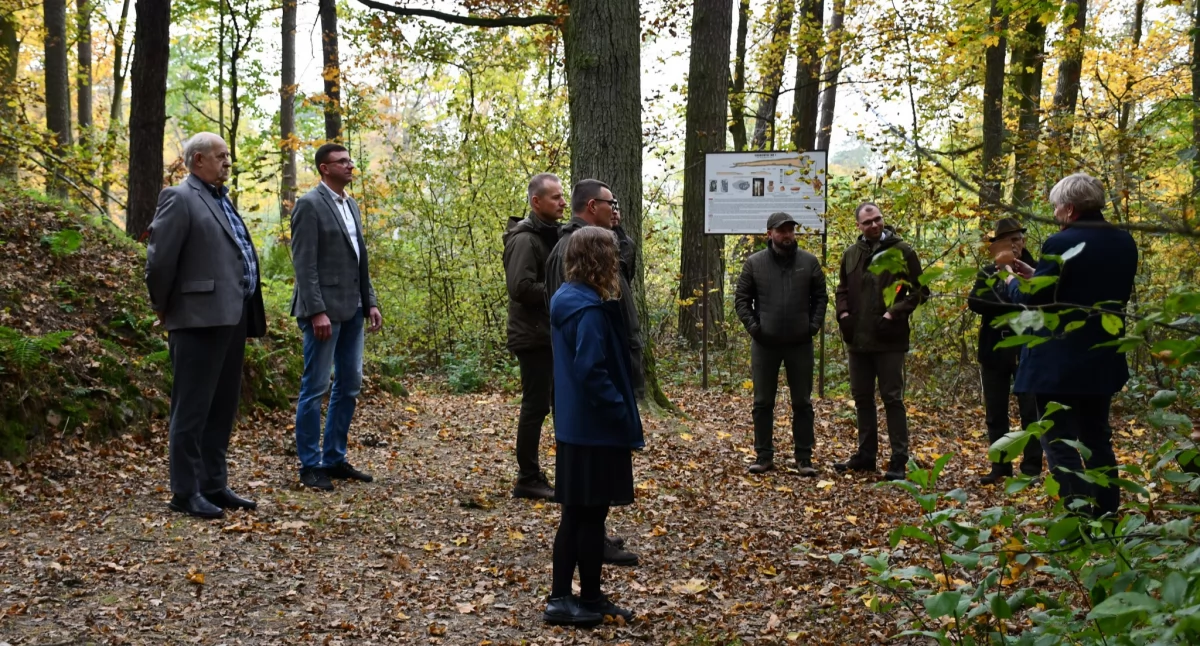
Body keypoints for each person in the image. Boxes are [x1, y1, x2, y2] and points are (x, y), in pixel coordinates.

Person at [145, 132, 266, 519]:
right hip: (196, 319)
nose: (228, 161)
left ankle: (213, 483)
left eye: (227, 155)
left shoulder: (221, 199)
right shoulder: (179, 197)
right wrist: (164, 308)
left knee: (222, 407)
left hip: (232, 316)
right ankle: (185, 492)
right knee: (192, 409)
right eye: (220, 155)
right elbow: (159, 262)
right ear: (198, 160)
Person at [1003, 173, 1137, 519]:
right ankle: (1107, 517)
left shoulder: (1060, 242)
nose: (1055, 213)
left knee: (1059, 441)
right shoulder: (1124, 241)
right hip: (1103, 356)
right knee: (1097, 440)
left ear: (1070, 209)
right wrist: (1037, 274)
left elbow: (1039, 301)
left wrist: (1014, 283)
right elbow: (1086, 290)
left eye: (1056, 207)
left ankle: (1079, 521)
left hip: (1058, 363)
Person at [543, 227, 643, 627]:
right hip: (593, 429)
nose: (616, 263)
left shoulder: (569, 298)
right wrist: (618, 408)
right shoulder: (586, 309)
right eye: (611, 256)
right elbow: (590, 370)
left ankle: (584, 597)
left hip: (577, 427)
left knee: (583, 515)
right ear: (598, 260)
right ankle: (565, 600)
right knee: (584, 516)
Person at [290, 143, 383, 491]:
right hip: (324, 312)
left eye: (350, 160)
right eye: (342, 161)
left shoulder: (351, 205)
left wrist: (370, 302)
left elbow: (360, 259)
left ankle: (334, 458)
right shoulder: (309, 204)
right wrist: (317, 310)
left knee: (350, 384)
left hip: (354, 309)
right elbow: (304, 264)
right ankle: (310, 465)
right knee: (315, 387)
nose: (350, 166)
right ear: (324, 168)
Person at [834, 202, 928, 481]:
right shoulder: (851, 254)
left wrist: (893, 313)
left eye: (877, 219)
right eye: (867, 222)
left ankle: (899, 459)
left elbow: (920, 290)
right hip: (858, 339)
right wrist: (843, 314)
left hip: (889, 338)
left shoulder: (902, 251)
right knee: (862, 398)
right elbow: (841, 288)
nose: (874, 225)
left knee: (892, 398)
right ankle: (866, 455)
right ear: (858, 226)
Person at [734, 212, 828, 476]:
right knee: (763, 402)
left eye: (790, 230)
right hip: (765, 343)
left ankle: (804, 458)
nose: (787, 235)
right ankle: (763, 456)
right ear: (770, 234)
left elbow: (821, 297)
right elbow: (741, 299)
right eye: (781, 230)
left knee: (802, 402)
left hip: (800, 343)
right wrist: (755, 329)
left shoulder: (809, 262)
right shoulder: (754, 263)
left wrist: (812, 326)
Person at [502, 173, 566, 500]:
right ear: (536, 202)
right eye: (556, 197)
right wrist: (564, 291)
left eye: (563, 196)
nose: (563, 202)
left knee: (554, 405)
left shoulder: (551, 235)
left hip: (549, 334)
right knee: (535, 407)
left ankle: (559, 472)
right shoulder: (525, 239)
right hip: (533, 336)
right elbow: (521, 288)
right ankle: (527, 477)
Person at [967, 217, 1042, 484]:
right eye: (1008, 240)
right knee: (996, 413)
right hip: (994, 349)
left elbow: (1038, 303)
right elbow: (975, 301)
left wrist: (1013, 294)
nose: (1014, 244)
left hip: (1028, 350)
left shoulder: (1037, 269)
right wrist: (1012, 298)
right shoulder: (988, 272)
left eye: (1018, 239)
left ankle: (1031, 469)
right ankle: (1000, 467)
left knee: (1031, 412)